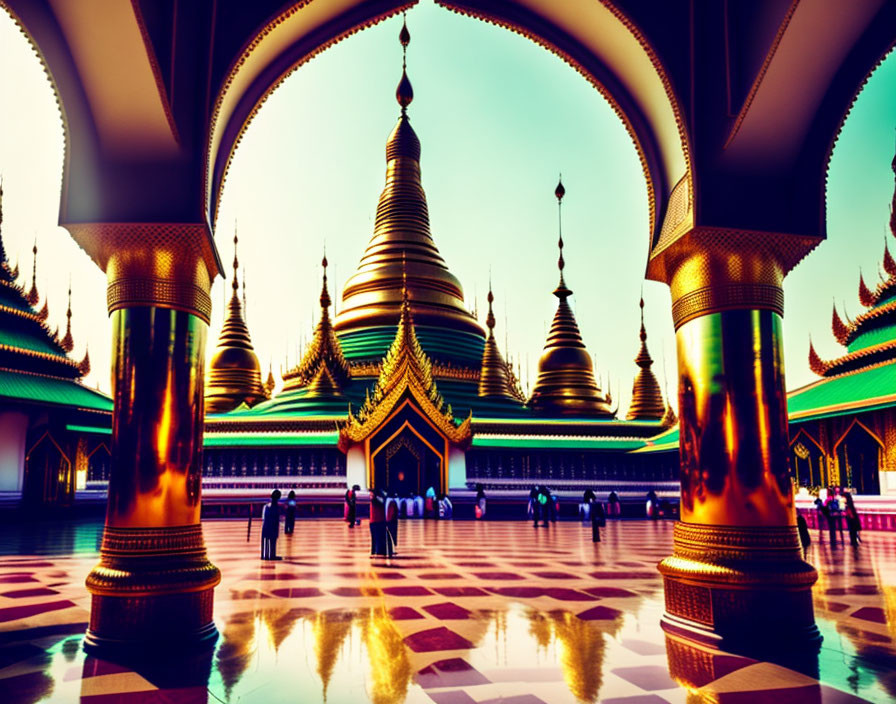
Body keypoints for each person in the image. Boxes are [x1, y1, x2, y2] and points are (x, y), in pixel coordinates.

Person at [261, 489, 282, 560]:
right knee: (272, 541)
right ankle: (271, 555)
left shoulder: (266, 506)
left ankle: (266, 555)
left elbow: (263, 518)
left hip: (266, 528)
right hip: (272, 528)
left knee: (266, 541)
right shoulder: (276, 507)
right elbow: (276, 519)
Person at [369, 489, 387, 557]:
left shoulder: (378, 499)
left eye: (371, 494)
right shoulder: (375, 499)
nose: (370, 496)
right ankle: (375, 551)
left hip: (378, 520)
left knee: (379, 538)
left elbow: (382, 503)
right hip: (373, 521)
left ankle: (379, 551)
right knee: (375, 538)